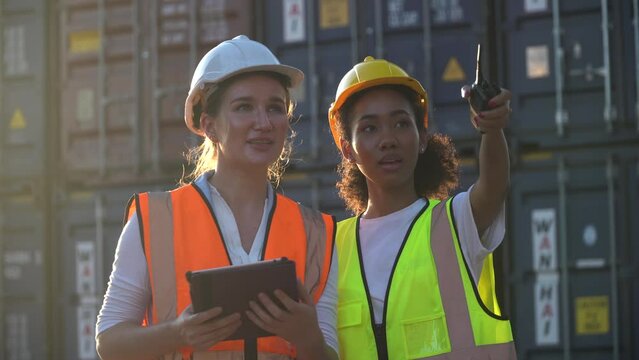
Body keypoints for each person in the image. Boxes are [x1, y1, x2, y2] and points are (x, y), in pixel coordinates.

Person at [95, 35, 339, 360]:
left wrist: (308, 339)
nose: (263, 123)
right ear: (209, 126)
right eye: (244, 107)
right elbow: (109, 342)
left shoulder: (318, 233)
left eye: (275, 108)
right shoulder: (154, 219)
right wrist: (176, 334)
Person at [328, 56, 517, 359]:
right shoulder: (329, 248)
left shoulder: (455, 224)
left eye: (401, 123)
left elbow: (493, 184)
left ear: (422, 138)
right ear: (347, 149)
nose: (388, 139)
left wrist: (491, 129)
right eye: (369, 128)